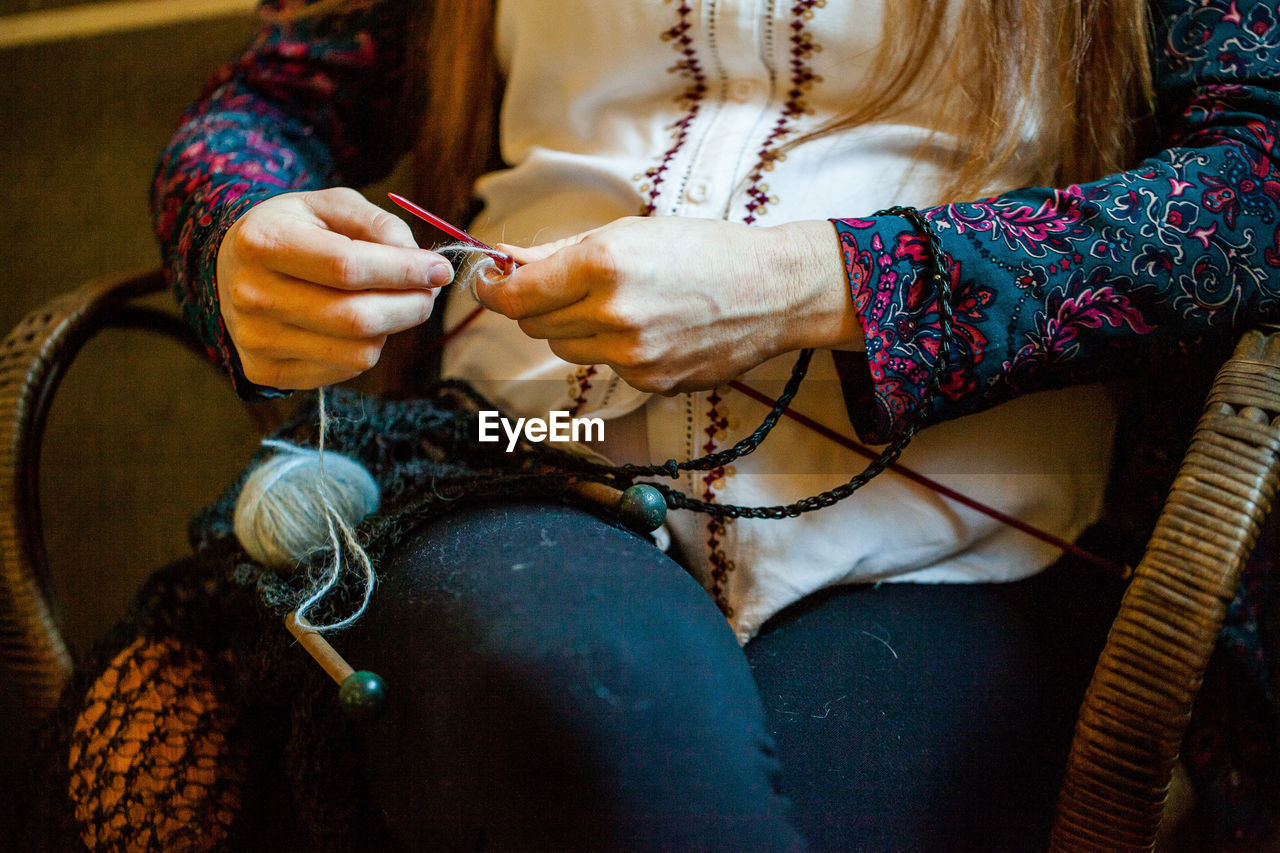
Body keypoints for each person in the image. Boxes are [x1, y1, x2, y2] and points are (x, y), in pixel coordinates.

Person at [40, 0, 1280, 851]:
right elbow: (268, 106)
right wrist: (243, 236)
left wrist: (812, 281)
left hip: (969, 535)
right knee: (585, 697)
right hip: (517, 462)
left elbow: (1256, 183)